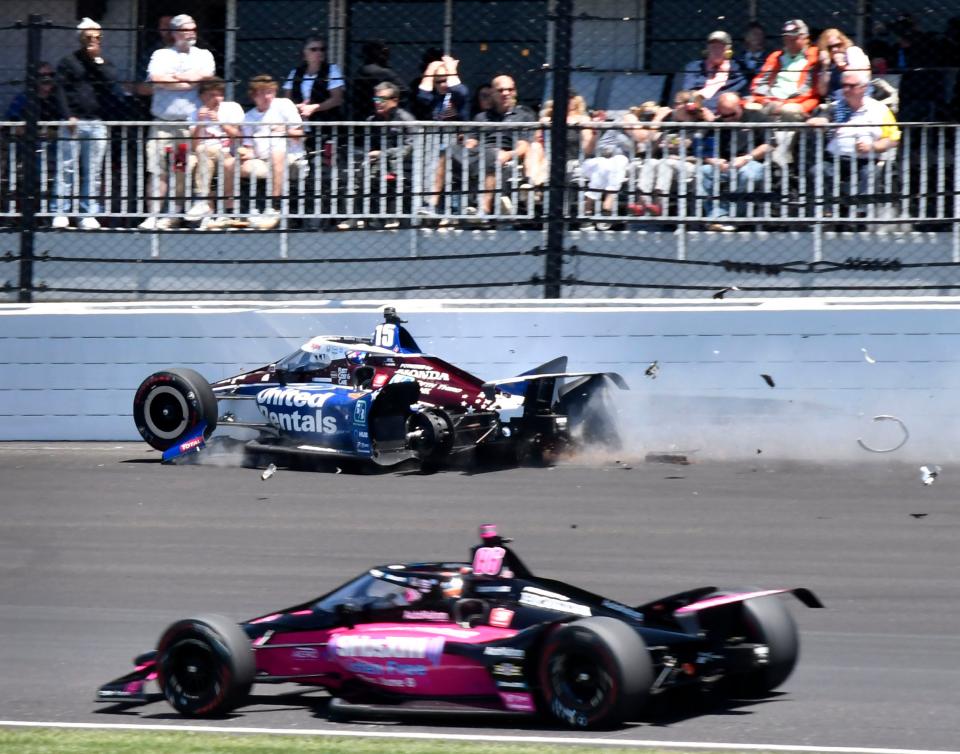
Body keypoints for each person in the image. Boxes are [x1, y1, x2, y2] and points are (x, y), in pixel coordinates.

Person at [140, 13, 216, 230]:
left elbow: (205, 75)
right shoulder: (161, 54)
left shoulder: (204, 55)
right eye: (185, 29)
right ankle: (152, 216)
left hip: (187, 126)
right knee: (157, 169)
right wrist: (186, 80)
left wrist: (172, 80)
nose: (191, 32)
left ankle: (174, 213)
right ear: (174, 33)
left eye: (193, 28)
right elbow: (156, 78)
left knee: (180, 168)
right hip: (162, 124)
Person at [52, 18, 127, 230]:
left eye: (97, 37)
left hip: (96, 122)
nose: (93, 40)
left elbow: (111, 82)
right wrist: (68, 116)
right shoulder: (68, 61)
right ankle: (60, 211)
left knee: (93, 170)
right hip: (73, 122)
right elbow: (59, 90)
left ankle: (87, 213)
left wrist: (96, 61)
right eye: (88, 36)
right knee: (66, 168)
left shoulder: (103, 63)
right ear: (81, 38)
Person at [806, 70, 900, 212]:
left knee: (870, 173)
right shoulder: (836, 106)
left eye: (851, 86)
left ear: (864, 88)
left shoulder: (879, 109)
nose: (846, 89)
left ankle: (862, 216)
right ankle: (825, 214)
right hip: (835, 160)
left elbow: (893, 139)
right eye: (844, 85)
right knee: (817, 171)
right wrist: (818, 121)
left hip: (865, 161)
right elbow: (824, 118)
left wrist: (872, 147)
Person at [447, 74, 535, 221]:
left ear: (515, 92)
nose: (506, 93)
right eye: (501, 90)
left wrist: (509, 154)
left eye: (510, 89)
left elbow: (524, 145)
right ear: (492, 93)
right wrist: (466, 146)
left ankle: (483, 210)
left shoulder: (524, 116)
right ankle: (432, 205)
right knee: (448, 151)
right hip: (479, 154)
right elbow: (471, 141)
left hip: (504, 156)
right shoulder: (481, 117)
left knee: (492, 155)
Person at [337, 81, 415, 230]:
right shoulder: (372, 120)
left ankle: (382, 216)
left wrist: (384, 154)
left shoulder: (405, 119)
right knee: (350, 174)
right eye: (376, 99)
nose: (378, 103)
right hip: (374, 163)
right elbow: (368, 146)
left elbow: (409, 147)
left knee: (372, 174)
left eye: (382, 99)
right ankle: (355, 216)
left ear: (395, 100)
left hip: (399, 163)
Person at [697, 92, 772, 231]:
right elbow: (704, 151)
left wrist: (746, 158)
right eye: (725, 116)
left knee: (747, 174)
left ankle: (734, 218)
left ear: (739, 106)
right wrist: (714, 161)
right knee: (702, 171)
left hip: (752, 162)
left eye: (732, 114)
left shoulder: (756, 117)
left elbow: (770, 144)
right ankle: (718, 218)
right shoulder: (718, 124)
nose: (729, 119)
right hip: (725, 165)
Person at [239, 75, 305, 230]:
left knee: (277, 151)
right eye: (263, 92)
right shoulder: (248, 118)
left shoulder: (284, 105)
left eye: (271, 92)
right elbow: (249, 148)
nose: (268, 96)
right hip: (262, 160)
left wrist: (284, 130)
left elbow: (300, 134)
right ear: (254, 95)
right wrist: (244, 153)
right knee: (244, 166)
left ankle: (274, 207)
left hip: (291, 157)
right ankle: (246, 212)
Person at [632, 90, 712, 217]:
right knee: (650, 161)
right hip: (667, 163)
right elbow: (650, 145)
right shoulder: (670, 124)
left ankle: (660, 204)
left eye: (677, 104)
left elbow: (686, 145)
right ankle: (642, 202)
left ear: (688, 105)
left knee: (666, 162)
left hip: (689, 164)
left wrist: (672, 148)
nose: (674, 107)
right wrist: (657, 119)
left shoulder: (700, 125)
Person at [415, 54, 470, 217]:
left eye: (446, 80)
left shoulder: (459, 95)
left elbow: (459, 91)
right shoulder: (434, 99)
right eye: (438, 81)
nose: (443, 84)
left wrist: (451, 69)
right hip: (433, 145)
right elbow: (422, 97)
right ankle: (429, 207)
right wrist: (431, 68)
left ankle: (450, 211)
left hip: (456, 145)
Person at [187, 78, 243, 229]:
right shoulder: (195, 113)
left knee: (207, 155)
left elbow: (239, 135)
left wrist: (220, 123)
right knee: (200, 155)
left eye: (220, 94)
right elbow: (194, 145)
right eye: (212, 95)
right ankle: (207, 211)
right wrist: (200, 124)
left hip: (226, 152)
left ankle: (202, 202)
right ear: (203, 96)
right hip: (203, 153)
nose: (217, 99)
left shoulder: (231, 108)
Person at [580, 108, 640, 229]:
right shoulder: (616, 125)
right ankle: (604, 208)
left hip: (614, 166)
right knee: (604, 163)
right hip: (592, 162)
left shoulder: (639, 134)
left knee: (619, 161)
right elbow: (592, 151)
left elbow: (643, 142)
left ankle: (594, 206)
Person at [749, 19, 821, 119]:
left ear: (805, 37)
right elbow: (759, 83)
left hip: (799, 102)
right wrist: (765, 100)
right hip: (772, 100)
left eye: (794, 38)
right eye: (786, 38)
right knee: (750, 108)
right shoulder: (776, 56)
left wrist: (784, 103)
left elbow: (811, 90)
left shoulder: (815, 56)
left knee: (788, 110)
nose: (789, 41)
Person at [282, 35, 345, 124]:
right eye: (313, 49)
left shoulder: (332, 70)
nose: (319, 52)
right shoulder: (295, 73)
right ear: (304, 54)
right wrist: (298, 107)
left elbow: (337, 99)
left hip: (324, 123)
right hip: (299, 123)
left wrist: (313, 108)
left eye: (322, 49)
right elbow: (287, 99)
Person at [682, 30, 748, 113]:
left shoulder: (738, 69)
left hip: (724, 114)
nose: (716, 50)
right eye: (713, 46)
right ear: (707, 49)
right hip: (697, 112)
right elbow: (687, 92)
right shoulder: (694, 66)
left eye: (720, 47)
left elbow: (744, 93)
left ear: (728, 50)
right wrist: (701, 110)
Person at [351, 40, 407, 120]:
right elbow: (404, 91)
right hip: (378, 116)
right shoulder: (381, 72)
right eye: (385, 52)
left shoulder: (361, 71)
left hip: (363, 115)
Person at [816, 28, 871, 108]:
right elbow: (822, 92)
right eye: (830, 47)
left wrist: (844, 66)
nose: (835, 49)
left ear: (843, 42)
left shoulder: (854, 52)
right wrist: (825, 67)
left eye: (838, 45)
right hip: (835, 104)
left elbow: (865, 77)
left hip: (857, 101)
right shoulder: (828, 64)